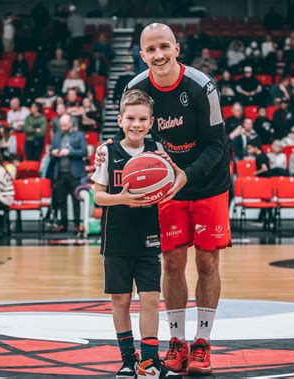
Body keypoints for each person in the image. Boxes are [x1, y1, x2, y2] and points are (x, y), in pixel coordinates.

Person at [97, 23, 231, 375]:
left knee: (207, 264)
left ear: (176, 48)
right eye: (150, 50)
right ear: (142, 55)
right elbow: (128, 133)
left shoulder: (202, 86)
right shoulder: (135, 87)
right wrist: (105, 153)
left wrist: (187, 174)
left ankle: (202, 343)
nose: (158, 55)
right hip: (165, 184)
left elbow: (217, 145)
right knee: (171, 263)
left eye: (164, 47)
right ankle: (177, 341)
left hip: (208, 182)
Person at [91, 89, 181, 379]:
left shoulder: (157, 152)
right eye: (130, 118)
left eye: (143, 119)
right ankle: (128, 359)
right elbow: (98, 197)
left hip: (148, 236)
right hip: (116, 236)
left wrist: (167, 189)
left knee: (152, 298)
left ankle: (150, 361)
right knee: (120, 300)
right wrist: (124, 199)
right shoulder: (107, 151)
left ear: (151, 121)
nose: (136, 124)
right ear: (119, 120)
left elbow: (176, 179)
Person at [50, 114, 87, 234]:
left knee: (76, 201)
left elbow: (84, 151)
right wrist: (53, 152)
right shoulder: (56, 136)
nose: (63, 127)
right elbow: (51, 151)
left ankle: (77, 225)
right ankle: (63, 224)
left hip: (74, 173)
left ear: (71, 123)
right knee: (61, 201)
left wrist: (69, 152)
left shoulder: (79, 135)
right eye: (61, 125)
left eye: (65, 125)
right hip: (60, 173)